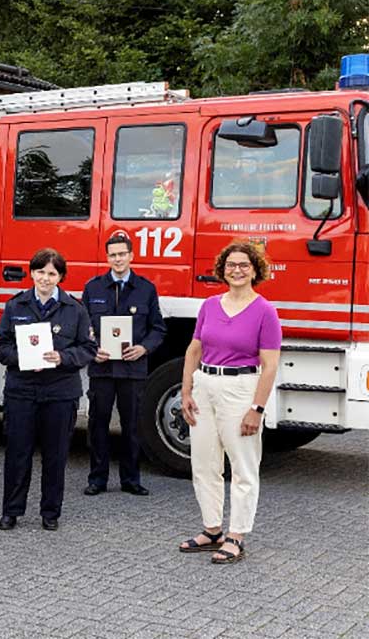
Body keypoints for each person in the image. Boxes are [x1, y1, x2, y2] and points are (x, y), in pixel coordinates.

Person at [179, 241, 281, 564]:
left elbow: (270, 365)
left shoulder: (265, 311)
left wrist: (257, 408)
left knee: (243, 466)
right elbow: (194, 351)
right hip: (205, 385)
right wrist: (186, 391)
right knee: (204, 463)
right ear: (222, 269)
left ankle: (236, 535)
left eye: (244, 265)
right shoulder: (209, 305)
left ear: (255, 270)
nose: (236, 270)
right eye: (231, 265)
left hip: (241, 389)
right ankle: (212, 531)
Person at [0, 249, 96, 531]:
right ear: (32, 273)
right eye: (40, 272)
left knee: (56, 455)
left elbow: (88, 349)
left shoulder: (75, 309)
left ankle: (50, 512)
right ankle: (11, 511)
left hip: (60, 393)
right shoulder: (16, 306)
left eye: (52, 273)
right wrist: (22, 359)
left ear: (60, 277)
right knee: (17, 453)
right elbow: (0, 345)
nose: (45, 278)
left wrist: (63, 358)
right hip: (22, 390)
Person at [81, 233, 166, 497]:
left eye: (122, 254)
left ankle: (131, 479)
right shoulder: (93, 288)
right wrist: (92, 351)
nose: (117, 259)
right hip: (102, 369)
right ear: (107, 258)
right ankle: (97, 479)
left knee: (132, 426)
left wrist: (144, 348)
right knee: (98, 424)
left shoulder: (146, 289)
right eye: (112, 255)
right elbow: (82, 329)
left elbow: (158, 328)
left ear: (131, 256)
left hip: (133, 370)